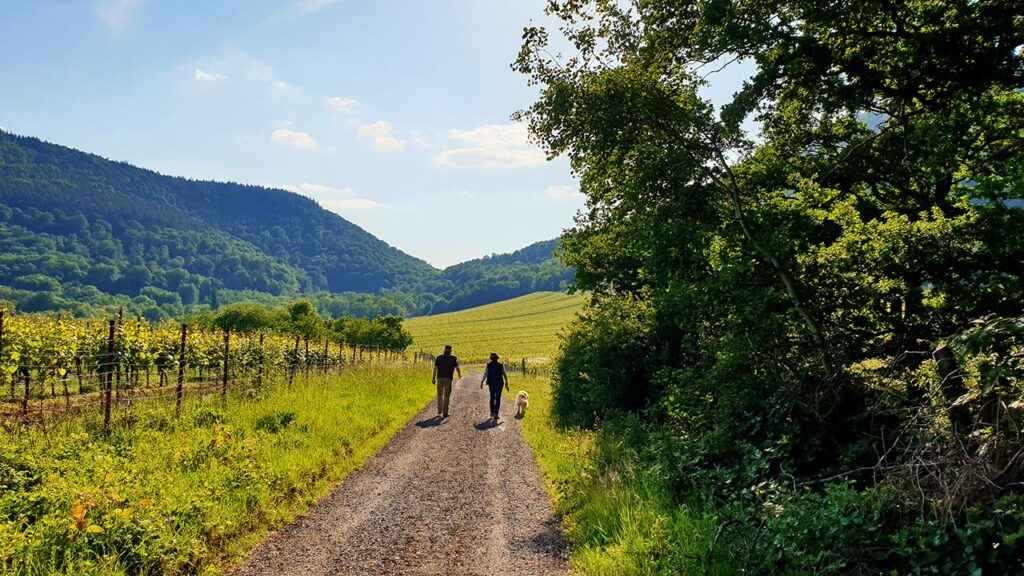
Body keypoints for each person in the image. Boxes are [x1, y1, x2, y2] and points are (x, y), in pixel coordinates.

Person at [432, 345, 460, 418]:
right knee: (446, 396)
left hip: (439, 378)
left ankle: (439, 410)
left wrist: (433, 378)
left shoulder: (439, 357)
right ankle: (445, 412)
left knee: (439, 395)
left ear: (444, 349)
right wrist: (459, 374)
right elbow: (457, 368)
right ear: (450, 350)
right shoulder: (453, 358)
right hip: (448, 378)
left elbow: (435, 368)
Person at [479, 352, 509, 421]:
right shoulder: (501, 365)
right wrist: (506, 382)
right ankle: (496, 414)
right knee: (498, 398)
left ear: (490, 358)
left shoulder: (488, 365)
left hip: (491, 383)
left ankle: (492, 412)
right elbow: (504, 374)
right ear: (497, 358)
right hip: (499, 384)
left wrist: (482, 381)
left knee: (492, 397)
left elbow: (486, 374)